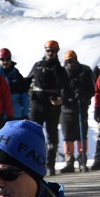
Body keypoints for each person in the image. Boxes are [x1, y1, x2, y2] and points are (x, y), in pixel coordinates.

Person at [29, 41, 68, 174]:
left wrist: (60, 99)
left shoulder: (59, 69)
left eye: (53, 51)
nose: (50, 53)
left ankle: (50, 165)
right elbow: (27, 80)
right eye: (48, 50)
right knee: (33, 135)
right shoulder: (38, 65)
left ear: (57, 52)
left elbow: (66, 88)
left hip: (51, 107)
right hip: (37, 104)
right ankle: (33, 164)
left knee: (52, 136)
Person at [59, 50, 94, 173]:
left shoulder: (85, 71)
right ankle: (69, 161)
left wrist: (84, 94)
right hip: (66, 108)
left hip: (81, 107)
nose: (70, 64)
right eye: (68, 62)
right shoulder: (61, 73)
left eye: (72, 61)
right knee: (67, 136)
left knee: (81, 135)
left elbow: (92, 89)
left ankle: (82, 160)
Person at [0, 47, 31, 122]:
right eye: (2, 59)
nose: (5, 62)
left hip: (16, 114)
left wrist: (25, 114)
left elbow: (25, 96)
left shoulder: (17, 75)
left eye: (7, 59)